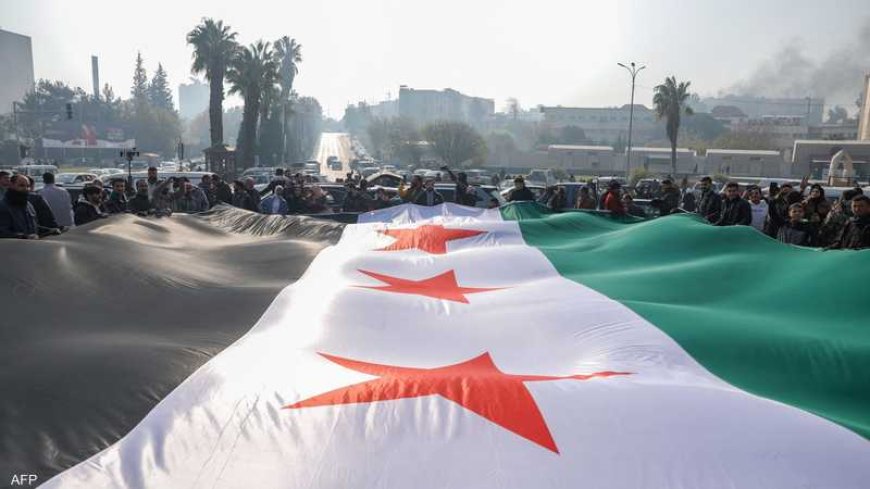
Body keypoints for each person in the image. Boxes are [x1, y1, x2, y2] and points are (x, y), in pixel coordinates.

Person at [0, 174, 39, 239]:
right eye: (21, 185)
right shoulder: (3, 206)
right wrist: (24, 236)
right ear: (11, 185)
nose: (26, 189)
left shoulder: (29, 206)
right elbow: (2, 232)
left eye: (28, 186)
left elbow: (34, 227)